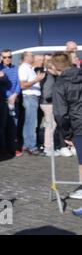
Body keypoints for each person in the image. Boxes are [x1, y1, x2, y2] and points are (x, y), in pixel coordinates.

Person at [52, 52, 82, 199]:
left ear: (56, 67)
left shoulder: (60, 84)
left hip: (78, 124)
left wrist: (66, 134)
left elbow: (60, 113)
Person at [18, 51, 45, 155]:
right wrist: (36, 80)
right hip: (30, 96)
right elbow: (23, 85)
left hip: (33, 97)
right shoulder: (24, 68)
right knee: (32, 123)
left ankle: (27, 144)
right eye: (31, 55)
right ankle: (32, 146)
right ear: (26, 57)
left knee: (29, 122)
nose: (33, 57)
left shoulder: (29, 68)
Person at [0, 49, 21, 157]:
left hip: (13, 100)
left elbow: (18, 83)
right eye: (5, 57)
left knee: (13, 126)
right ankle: (3, 149)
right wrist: (9, 94)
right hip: (3, 100)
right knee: (2, 126)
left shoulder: (15, 68)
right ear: (1, 57)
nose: (7, 59)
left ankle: (12, 148)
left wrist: (15, 94)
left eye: (9, 57)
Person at [40, 61, 59, 157]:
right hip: (48, 104)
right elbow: (47, 94)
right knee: (50, 126)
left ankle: (48, 147)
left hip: (47, 103)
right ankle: (48, 148)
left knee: (50, 126)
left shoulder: (50, 77)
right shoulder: (49, 78)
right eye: (55, 67)